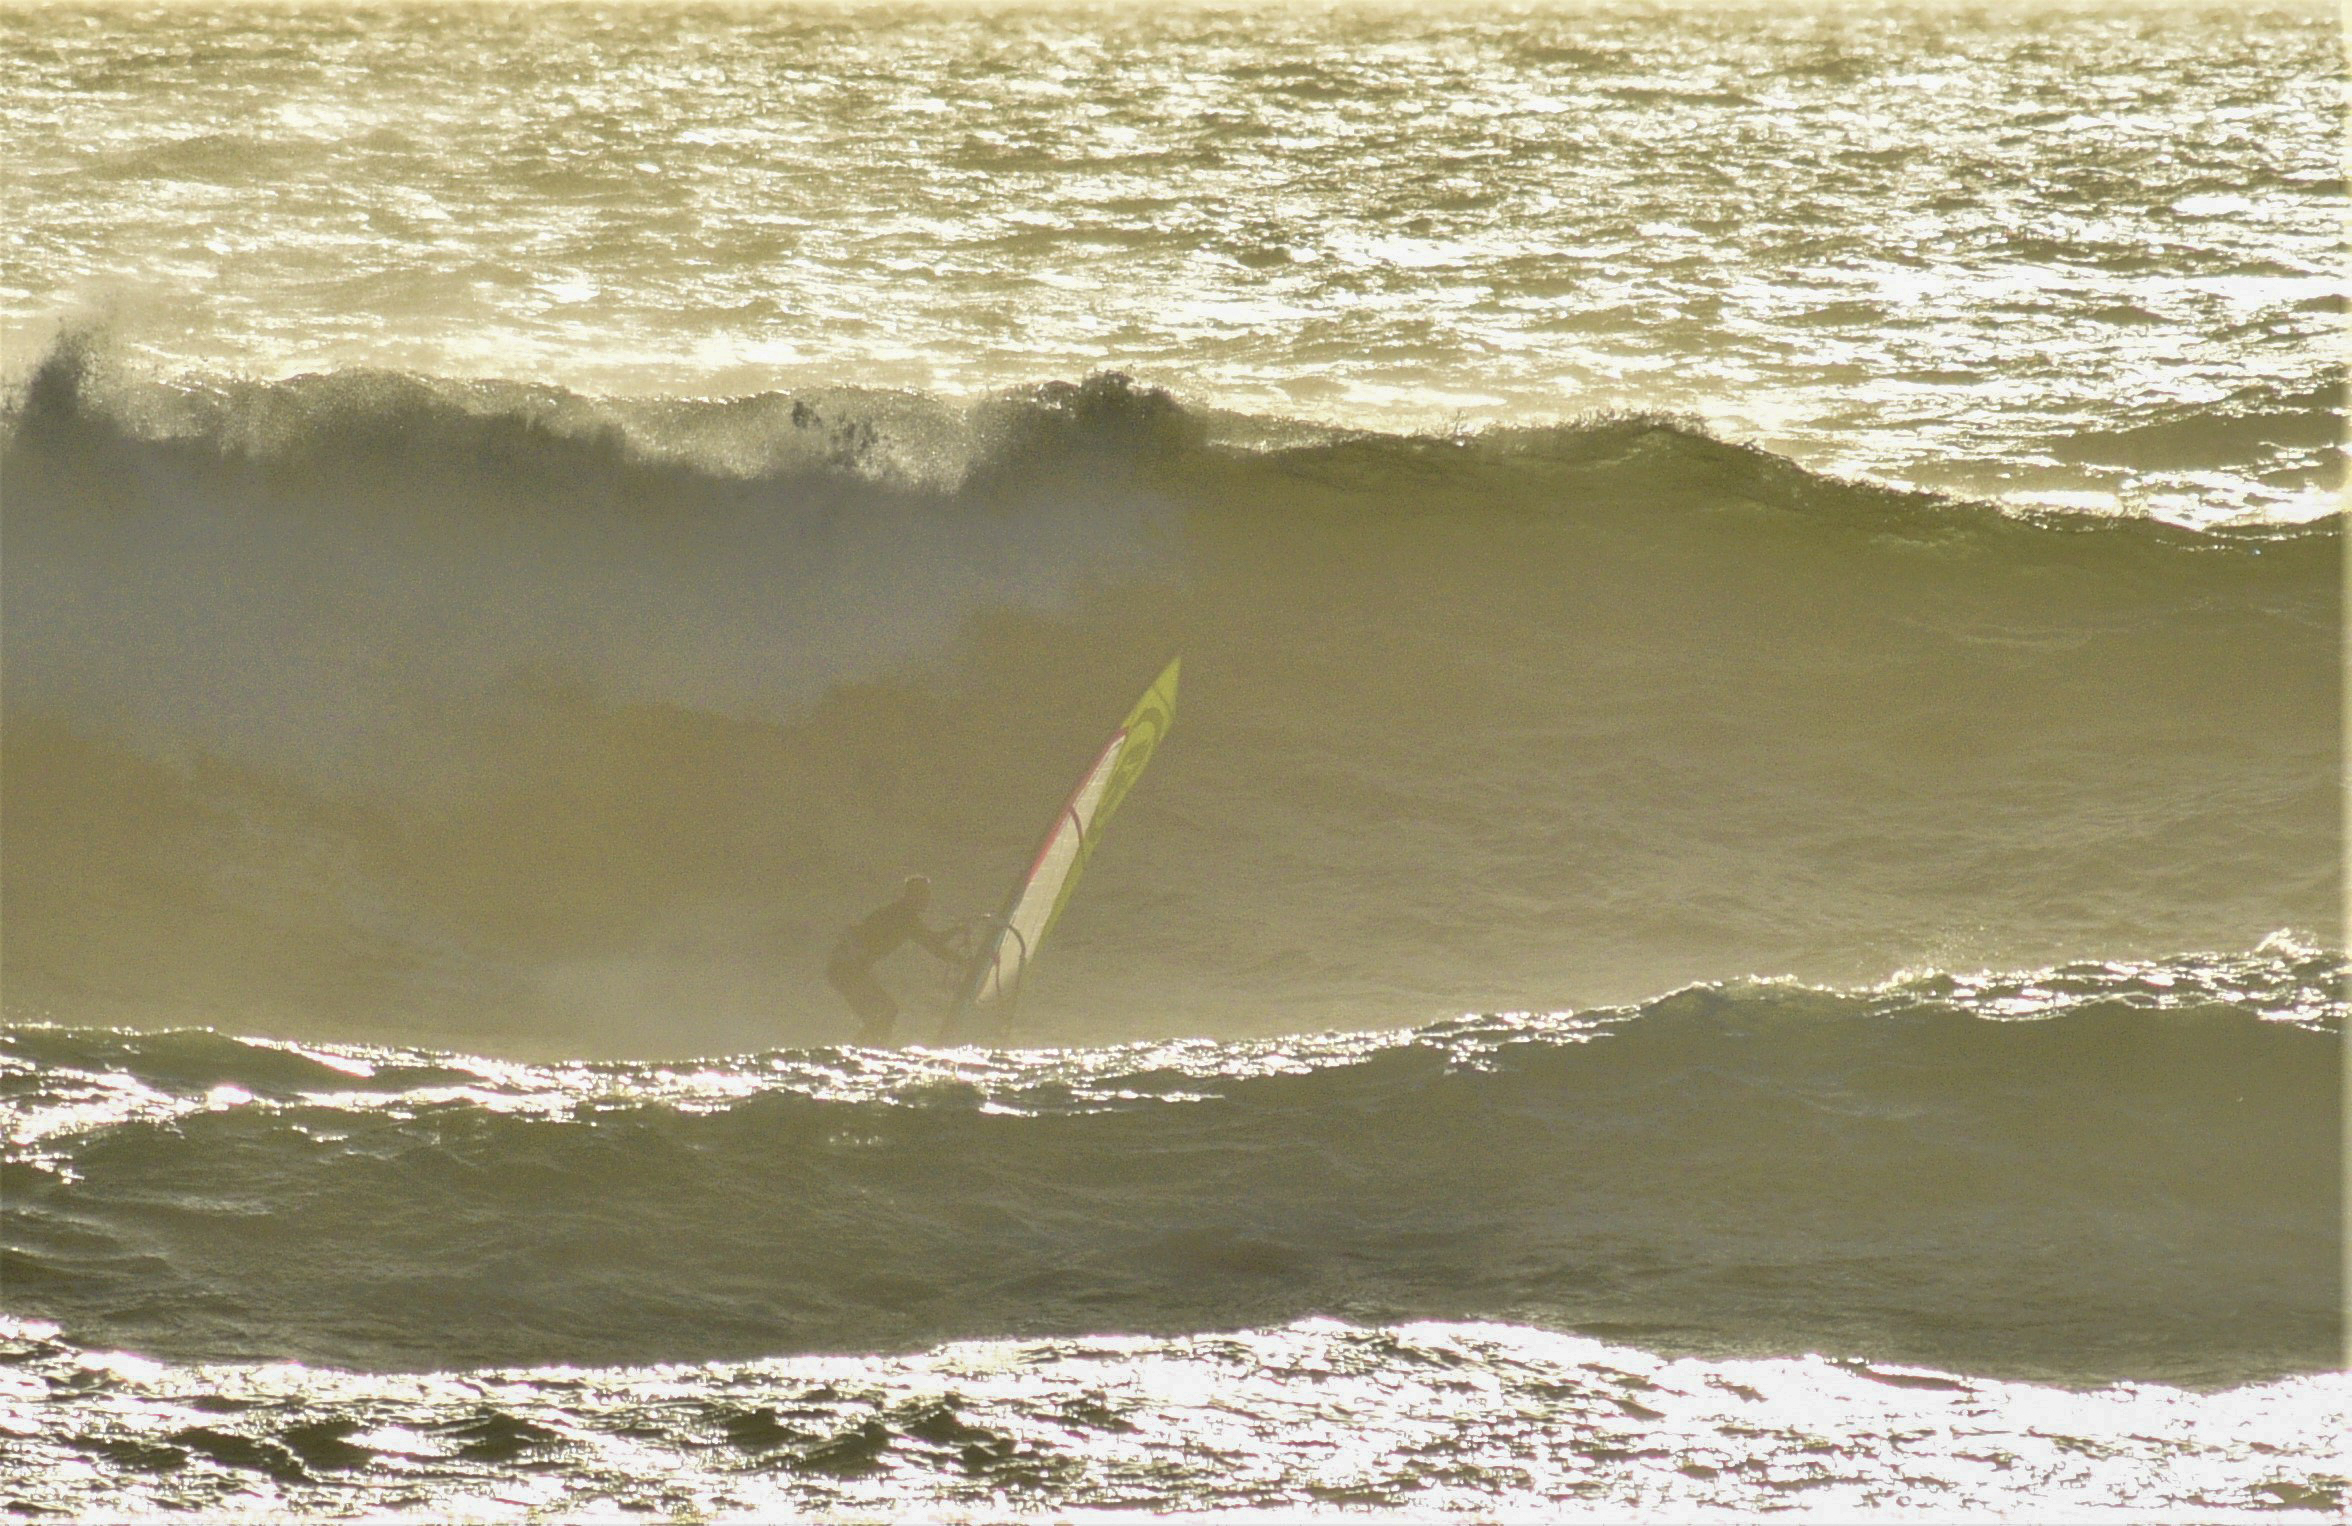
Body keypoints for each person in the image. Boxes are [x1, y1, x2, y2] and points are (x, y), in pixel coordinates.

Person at [825, 875, 963, 1044]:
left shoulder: (901, 913)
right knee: (885, 1012)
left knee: (884, 1013)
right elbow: (935, 946)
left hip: (844, 968)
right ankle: (865, 1050)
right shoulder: (903, 916)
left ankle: (866, 1049)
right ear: (912, 895)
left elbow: (934, 942)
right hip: (846, 969)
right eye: (924, 895)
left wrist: (958, 931)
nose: (927, 900)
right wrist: (963, 960)